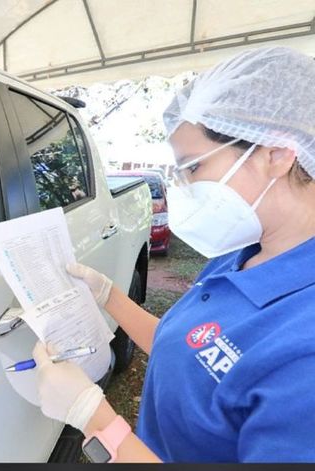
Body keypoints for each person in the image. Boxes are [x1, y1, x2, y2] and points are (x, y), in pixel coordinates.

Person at [32, 46, 315, 462]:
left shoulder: (304, 345)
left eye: (194, 168)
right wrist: (109, 295)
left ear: (276, 154)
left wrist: (96, 421)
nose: (182, 186)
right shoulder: (245, 253)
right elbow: (195, 350)